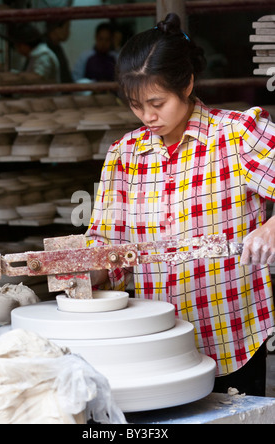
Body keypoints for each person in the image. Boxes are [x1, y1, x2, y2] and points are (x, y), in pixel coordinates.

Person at [86, 13, 275, 396]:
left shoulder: (236, 135)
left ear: (187, 84)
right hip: (155, 343)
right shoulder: (125, 153)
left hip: (232, 333)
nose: (147, 116)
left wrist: (273, 226)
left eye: (157, 102)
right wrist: (81, 269)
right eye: (136, 105)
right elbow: (104, 239)